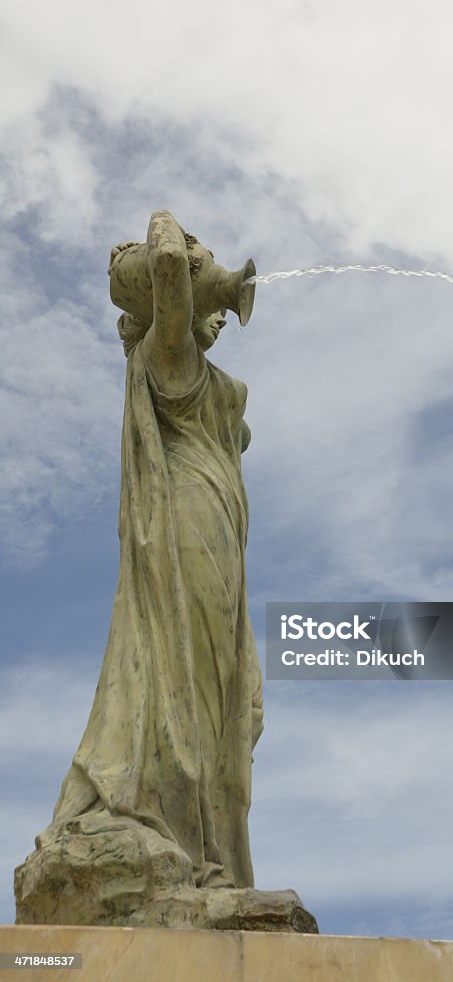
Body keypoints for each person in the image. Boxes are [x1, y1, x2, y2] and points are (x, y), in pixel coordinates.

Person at [44, 211, 263, 890]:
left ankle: (212, 855)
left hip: (220, 541)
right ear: (177, 303)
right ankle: (193, 854)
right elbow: (165, 261)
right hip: (185, 532)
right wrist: (180, 244)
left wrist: (204, 274)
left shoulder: (195, 369)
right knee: (187, 680)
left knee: (227, 698)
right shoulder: (167, 355)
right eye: (207, 300)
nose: (224, 315)